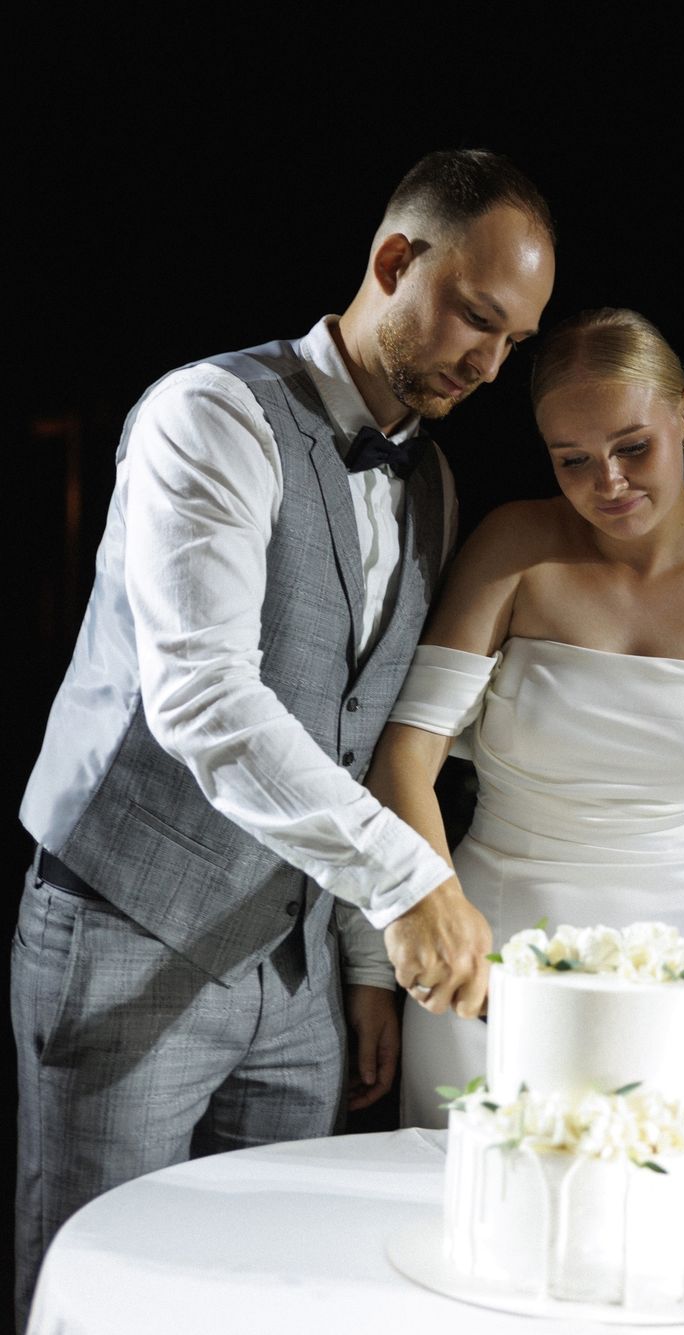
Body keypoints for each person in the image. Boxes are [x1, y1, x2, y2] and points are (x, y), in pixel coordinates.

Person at [11, 148, 556, 1328]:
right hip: (129, 935)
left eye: (512, 341)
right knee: (100, 1290)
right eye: (475, 317)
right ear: (393, 260)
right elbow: (204, 699)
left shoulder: (434, 485)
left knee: (271, 1296)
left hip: (298, 972)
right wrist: (408, 886)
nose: (487, 364)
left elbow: (364, 728)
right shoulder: (209, 415)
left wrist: (361, 967)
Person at [365, 305, 684, 1169]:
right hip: (493, 971)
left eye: (633, 447)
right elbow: (405, 755)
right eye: (572, 459)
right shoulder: (515, 547)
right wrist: (425, 923)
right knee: (484, 1223)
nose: (608, 482)